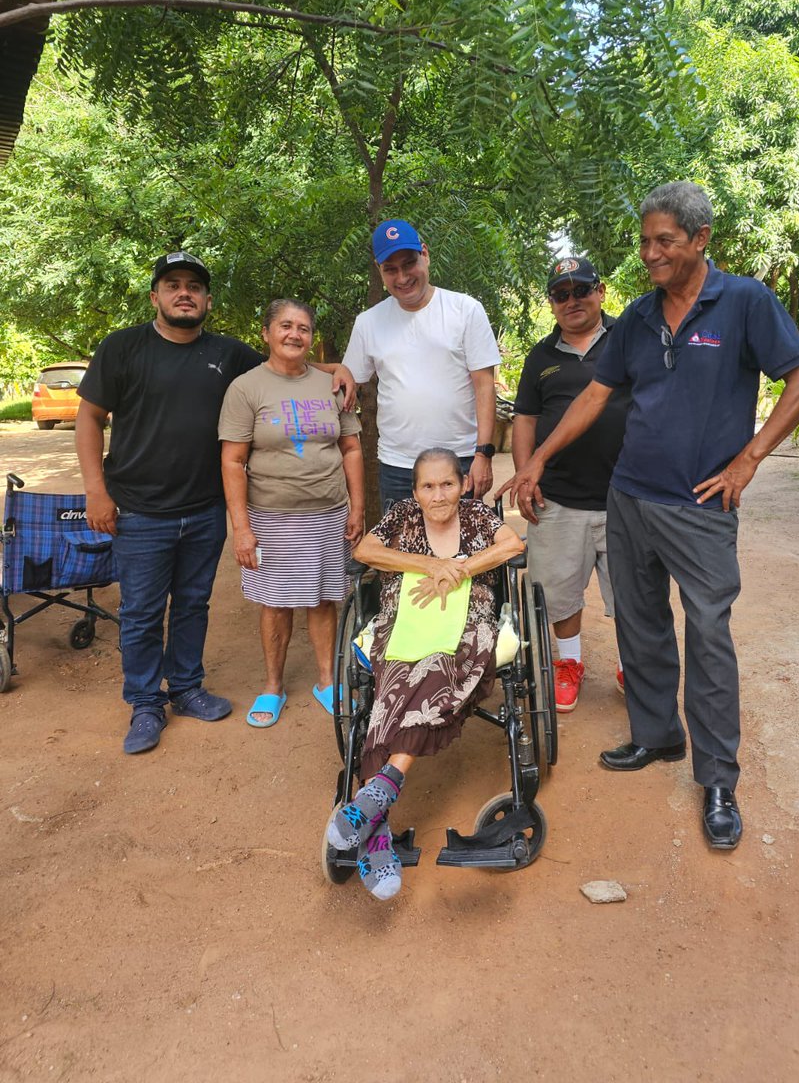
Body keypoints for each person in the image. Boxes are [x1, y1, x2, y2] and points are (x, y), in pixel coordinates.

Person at [498, 183, 799, 850]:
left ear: (700, 239)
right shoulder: (640, 317)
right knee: (641, 624)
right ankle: (657, 735)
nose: (649, 253)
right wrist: (537, 462)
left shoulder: (744, 302)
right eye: (645, 241)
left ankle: (719, 780)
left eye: (664, 241)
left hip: (700, 507)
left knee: (708, 634)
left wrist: (748, 460)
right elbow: (595, 395)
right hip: (630, 497)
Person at [76, 251, 356, 755]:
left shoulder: (227, 354)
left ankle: (186, 689)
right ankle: (146, 703)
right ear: (156, 296)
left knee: (192, 605)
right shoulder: (122, 348)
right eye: (173, 285)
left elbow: (289, 366)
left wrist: (338, 369)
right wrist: (96, 490)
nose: (184, 293)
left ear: (207, 300)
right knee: (141, 612)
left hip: (203, 508)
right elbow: (89, 418)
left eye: (194, 286)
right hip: (140, 507)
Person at [325, 447, 524, 900]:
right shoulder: (401, 518)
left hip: (467, 627)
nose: (438, 495)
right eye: (428, 486)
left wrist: (460, 569)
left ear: (463, 485)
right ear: (414, 492)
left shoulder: (477, 517)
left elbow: (513, 545)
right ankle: (376, 824)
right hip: (404, 625)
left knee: (436, 669)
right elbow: (364, 549)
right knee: (393, 684)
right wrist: (428, 564)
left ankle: (377, 796)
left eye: (447, 484)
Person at [219, 299, 364, 727]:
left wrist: (357, 507)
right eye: (285, 326)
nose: (294, 334)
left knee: (323, 598)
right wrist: (241, 528)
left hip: (329, 513)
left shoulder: (331, 385)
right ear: (266, 333)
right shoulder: (246, 388)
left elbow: (351, 448)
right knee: (275, 603)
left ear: (311, 338)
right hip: (271, 516)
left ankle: (327, 681)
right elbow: (232, 461)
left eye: (303, 328)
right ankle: (273, 686)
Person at [512, 256, 629, 712]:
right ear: (552, 302)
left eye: (581, 289)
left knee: (633, 591)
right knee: (558, 593)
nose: (572, 300)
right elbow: (525, 420)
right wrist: (526, 475)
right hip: (559, 498)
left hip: (626, 496)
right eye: (562, 294)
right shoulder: (540, 356)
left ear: (600, 291)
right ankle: (569, 663)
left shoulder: (628, 337)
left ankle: (631, 664)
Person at [342, 219, 501, 510]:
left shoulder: (465, 310)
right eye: (391, 269)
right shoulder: (368, 322)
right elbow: (348, 379)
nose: (402, 277)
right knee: (401, 541)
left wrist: (483, 453)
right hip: (398, 466)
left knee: (460, 541)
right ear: (379, 270)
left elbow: (484, 386)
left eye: (409, 263)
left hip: (460, 460)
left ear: (425, 255)